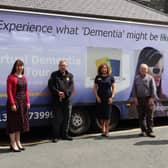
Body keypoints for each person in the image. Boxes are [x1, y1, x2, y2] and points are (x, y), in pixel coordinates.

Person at [129, 46, 167, 118]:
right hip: (142, 101)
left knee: (150, 118)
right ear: (142, 69)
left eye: (161, 71)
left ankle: (149, 129)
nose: (159, 75)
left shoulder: (163, 98)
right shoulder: (133, 105)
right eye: (156, 70)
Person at [6, 59, 30, 152]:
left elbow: (26, 91)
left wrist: (28, 102)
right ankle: (12, 143)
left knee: (19, 123)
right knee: (13, 124)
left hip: (23, 103)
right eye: (18, 66)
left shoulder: (24, 77)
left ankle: (18, 141)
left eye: (21, 66)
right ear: (15, 67)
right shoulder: (10, 77)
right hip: (14, 103)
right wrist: (12, 104)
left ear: (23, 67)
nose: (20, 67)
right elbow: (9, 92)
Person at [48, 60, 74, 142]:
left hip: (67, 100)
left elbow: (71, 87)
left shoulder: (70, 75)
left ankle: (65, 135)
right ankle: (56, 136)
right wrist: (58, 93)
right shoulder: (54, 74)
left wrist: (65, 94)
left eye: (64, 65)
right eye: (61, 65)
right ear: (59, 66)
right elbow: (51, 86)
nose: (63, 67)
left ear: (66, 66)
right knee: (57, 119)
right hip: (57, 100)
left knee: (67, 118)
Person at [132, 63, 157, 137]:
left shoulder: (150, 78)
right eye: (142, 69)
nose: (143, 70)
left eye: (145, 69)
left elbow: (153, 88)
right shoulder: (136, 78)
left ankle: (150, 131)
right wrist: (135, 98)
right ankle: (143, 131)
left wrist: (152, 98)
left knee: (149, 116)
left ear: (147, 70)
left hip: (148, 99)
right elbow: (134, 89)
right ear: (140, 70)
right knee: (141, 116)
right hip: (139, 99)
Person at [93, 63, 116, 136]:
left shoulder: (111, 77)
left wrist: (112, 97)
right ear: (100, 69)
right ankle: (102, 129)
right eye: (103, 68)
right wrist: (97, 97)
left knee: (107, 114)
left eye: (105, 68)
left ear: (107, 69)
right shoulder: (98, 77)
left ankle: (107, 130)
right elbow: (94, 88)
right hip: (100, 98)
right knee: (101, 114)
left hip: (108, 98)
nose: (104, 69)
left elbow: (114, 88)